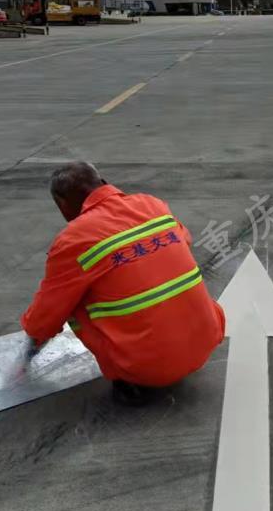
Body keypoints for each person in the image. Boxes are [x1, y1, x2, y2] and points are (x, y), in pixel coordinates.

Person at [21, 162, 225, 406]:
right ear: (104, 182)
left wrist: (27, 353)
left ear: (63, 204)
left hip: (146, 369)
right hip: (205, 342)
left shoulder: (73, 239)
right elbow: (185, 239)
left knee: (73, 299)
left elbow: (47, 312)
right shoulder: (152, 204)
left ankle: (129, 377)